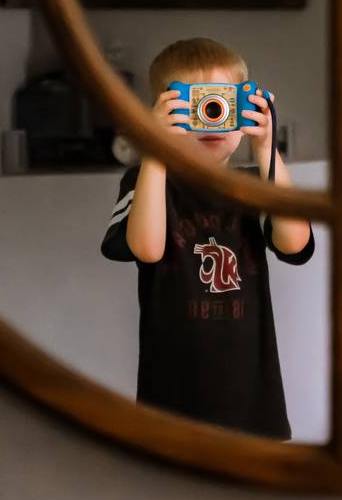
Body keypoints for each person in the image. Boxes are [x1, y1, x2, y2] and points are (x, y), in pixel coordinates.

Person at [100, 37, 314, 437]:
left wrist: (266, 147)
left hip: (253, 399)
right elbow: (146, 248)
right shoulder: (144, 181)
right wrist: (155, 148)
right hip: (172, 397)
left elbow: (294, 243)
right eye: (194, 105)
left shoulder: (256, 185)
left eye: (222, 103)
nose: (211, 116)